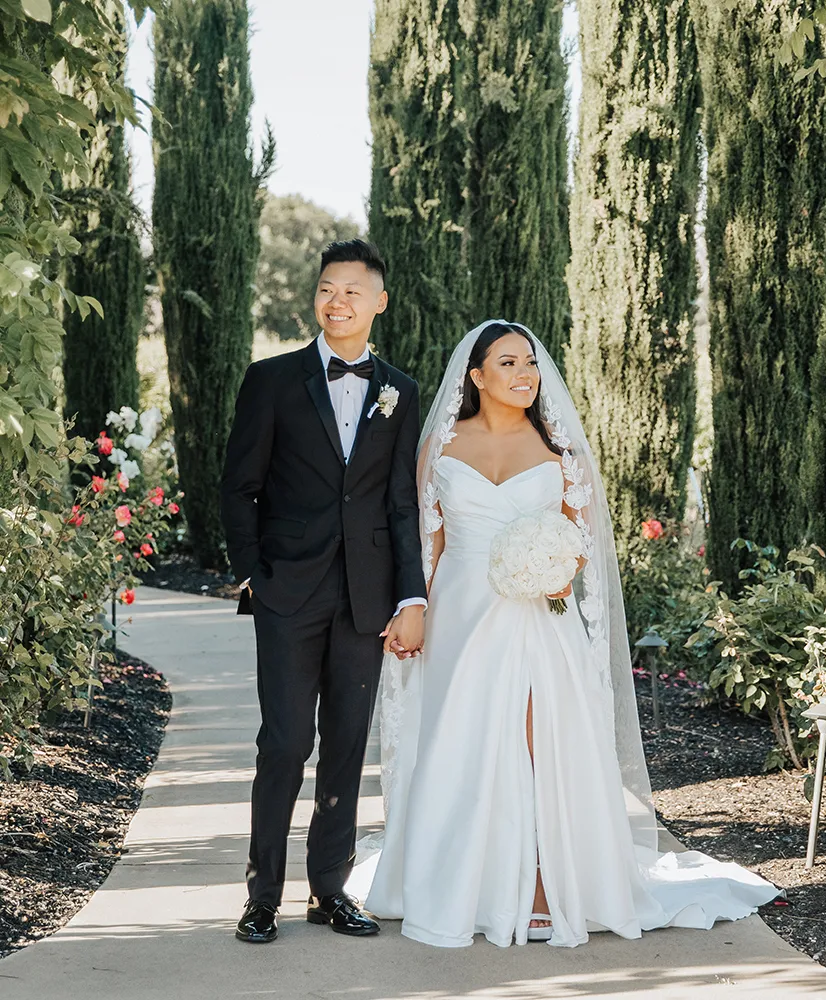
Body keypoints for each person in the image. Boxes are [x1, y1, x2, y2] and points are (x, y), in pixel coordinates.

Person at [361, 320, 780, 948]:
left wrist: (556, 570)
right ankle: (459, 881)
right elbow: (431, 542)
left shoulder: (560, 450)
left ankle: (538, 884)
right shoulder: (442, 446)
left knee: (535, 745)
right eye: (507, 363)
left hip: (535, 619)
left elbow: (581, 543)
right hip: (460, 616)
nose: (525, 374)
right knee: (463, 743)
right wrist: (412, 607)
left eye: (530, 363)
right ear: (475, 377)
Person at [220, 239, 426, 943]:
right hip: (287, 592)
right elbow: (238, 487)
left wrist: (410, 598)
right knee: (283, 743)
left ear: (379, 302)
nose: (337, 302)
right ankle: (262, 896)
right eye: (326, 290)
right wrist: (254, 572)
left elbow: (402, 503)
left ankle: (329, 890)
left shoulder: (402, 390)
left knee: (345, 746)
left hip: (366, 599)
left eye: (352, 291)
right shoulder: (271, 379)